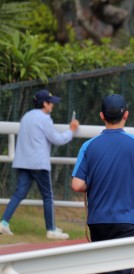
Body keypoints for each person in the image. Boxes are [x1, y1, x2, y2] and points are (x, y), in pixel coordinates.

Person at [71, 94, 134, 274]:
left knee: (101, 268)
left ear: (102, 116)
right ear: (126, 115)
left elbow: (77, 185)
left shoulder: (89, 146)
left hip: (97, 221)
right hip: (127, 221)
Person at [0, 89, 80, 239]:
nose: (53, 106)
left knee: (19, 193)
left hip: (22, 161)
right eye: (51, 103)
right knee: (47, 196)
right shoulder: (45, 119)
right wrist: (71, 130)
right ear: (45, 104)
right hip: (38, 163)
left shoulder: (26, 117)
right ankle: (51, 229)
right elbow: (58, 139)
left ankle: (4, 222)